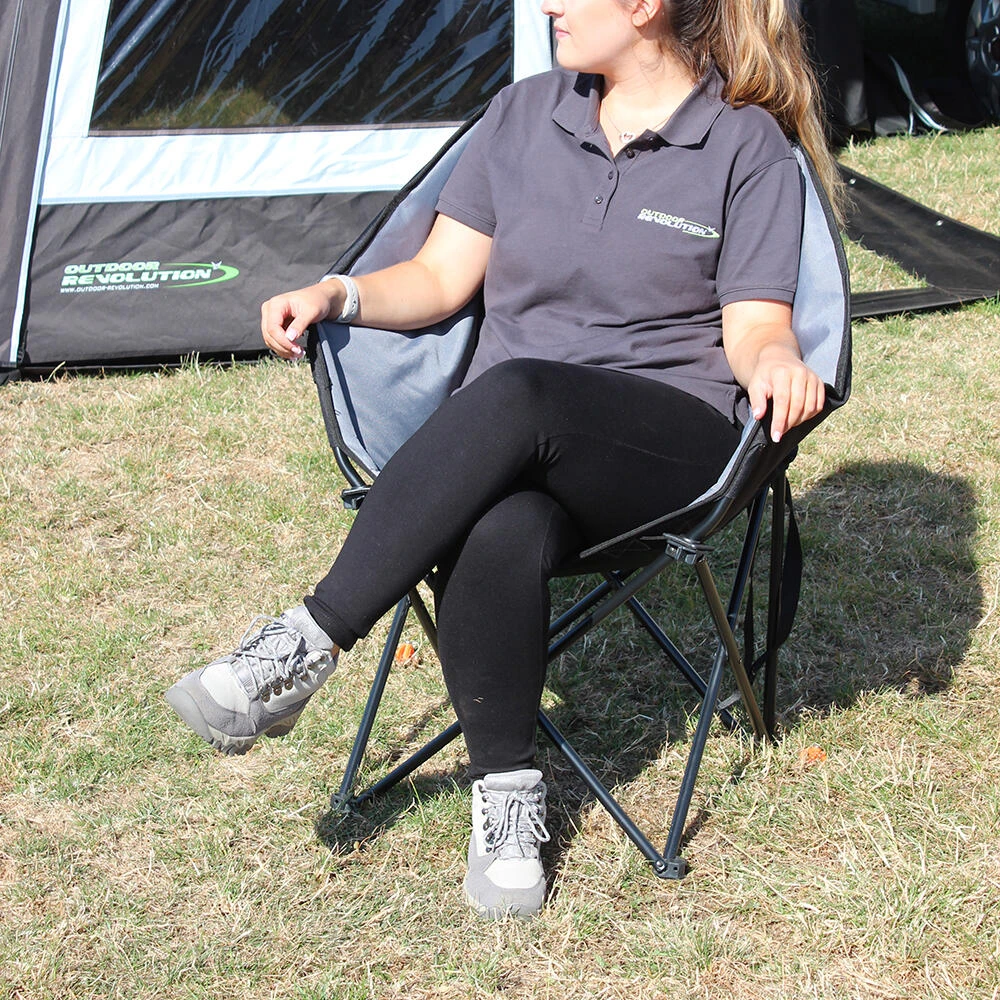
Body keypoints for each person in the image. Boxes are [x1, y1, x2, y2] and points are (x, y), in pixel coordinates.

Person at [166, 0, 840, 919]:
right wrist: (337, 293)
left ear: (644, 7)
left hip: (664, 450)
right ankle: (507, 797)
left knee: (522, 391)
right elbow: (441, 277)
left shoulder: (740, 143)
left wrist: (779, 364)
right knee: (501, 523)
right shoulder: (525, 113)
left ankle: (308, 641)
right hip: (516, 443)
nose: (548, 4)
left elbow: (754, 324)